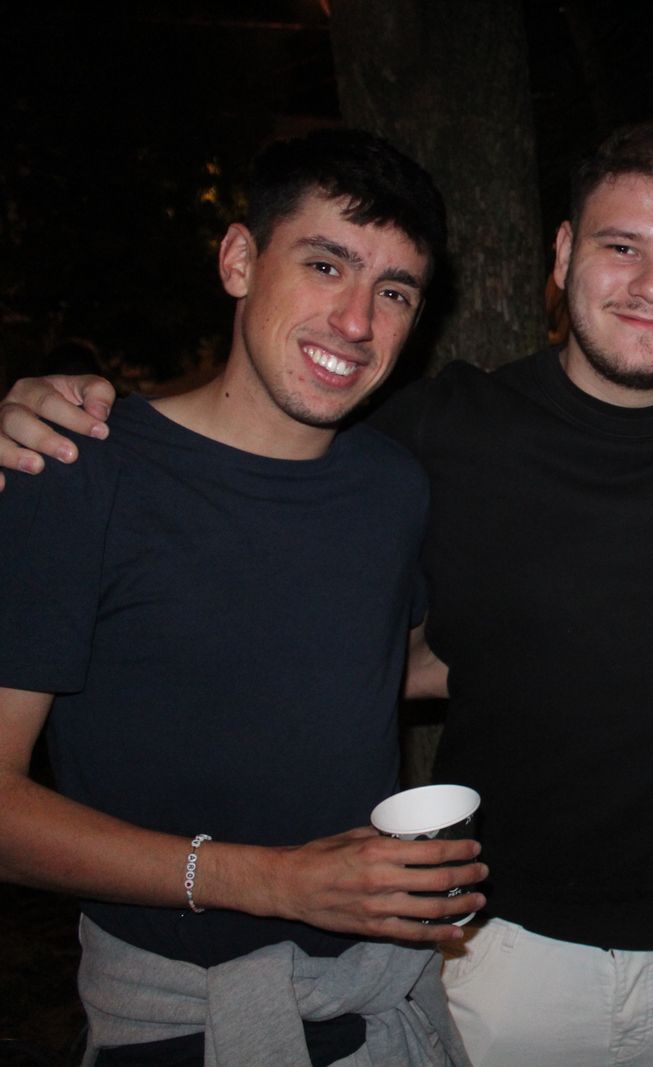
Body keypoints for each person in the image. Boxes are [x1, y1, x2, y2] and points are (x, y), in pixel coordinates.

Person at [0, 129, 485, 1066]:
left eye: (395, 292)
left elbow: (391, 665)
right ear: (238, 260)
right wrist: (275, 882)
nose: (356, 321)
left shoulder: (391, 484)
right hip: (185, 1021)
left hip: (387, 1002)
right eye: (325, 264)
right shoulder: (75, 471)